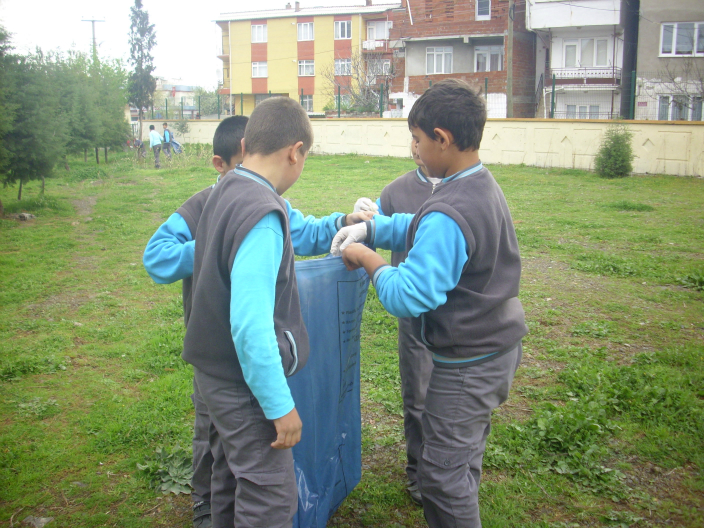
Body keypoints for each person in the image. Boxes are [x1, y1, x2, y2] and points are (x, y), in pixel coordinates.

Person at [145, 101, 372, 528]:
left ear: (247, 145)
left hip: (214, 372)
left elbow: (298, 234)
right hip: (243, 384)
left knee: (231, 476)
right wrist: (279, 406)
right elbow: (250, 326)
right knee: (269, 495)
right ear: (295, 152)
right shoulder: (262, 215)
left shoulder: (223, 193)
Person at [332, 79, 528, 527]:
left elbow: (408, 295)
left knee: (440, 477)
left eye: (418, 140)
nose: (415, 151)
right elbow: (420, 222)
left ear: (442, 139)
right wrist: (373, 228)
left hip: (466, 367)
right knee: (459, 459)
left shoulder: (450, 208)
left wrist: (365, 256)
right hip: (494, 349)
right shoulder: (475, 183)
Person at [351, 141, 437, 506]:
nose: (417, 147)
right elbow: (374, 225)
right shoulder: (397, 190)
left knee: (451, 402)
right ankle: (419, 472)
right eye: (412, 139)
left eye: (423, 138)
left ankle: (450, 469)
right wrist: (360, 215)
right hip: (413, 318)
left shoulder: (464, 191)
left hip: (454, 317)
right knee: (417, 397)